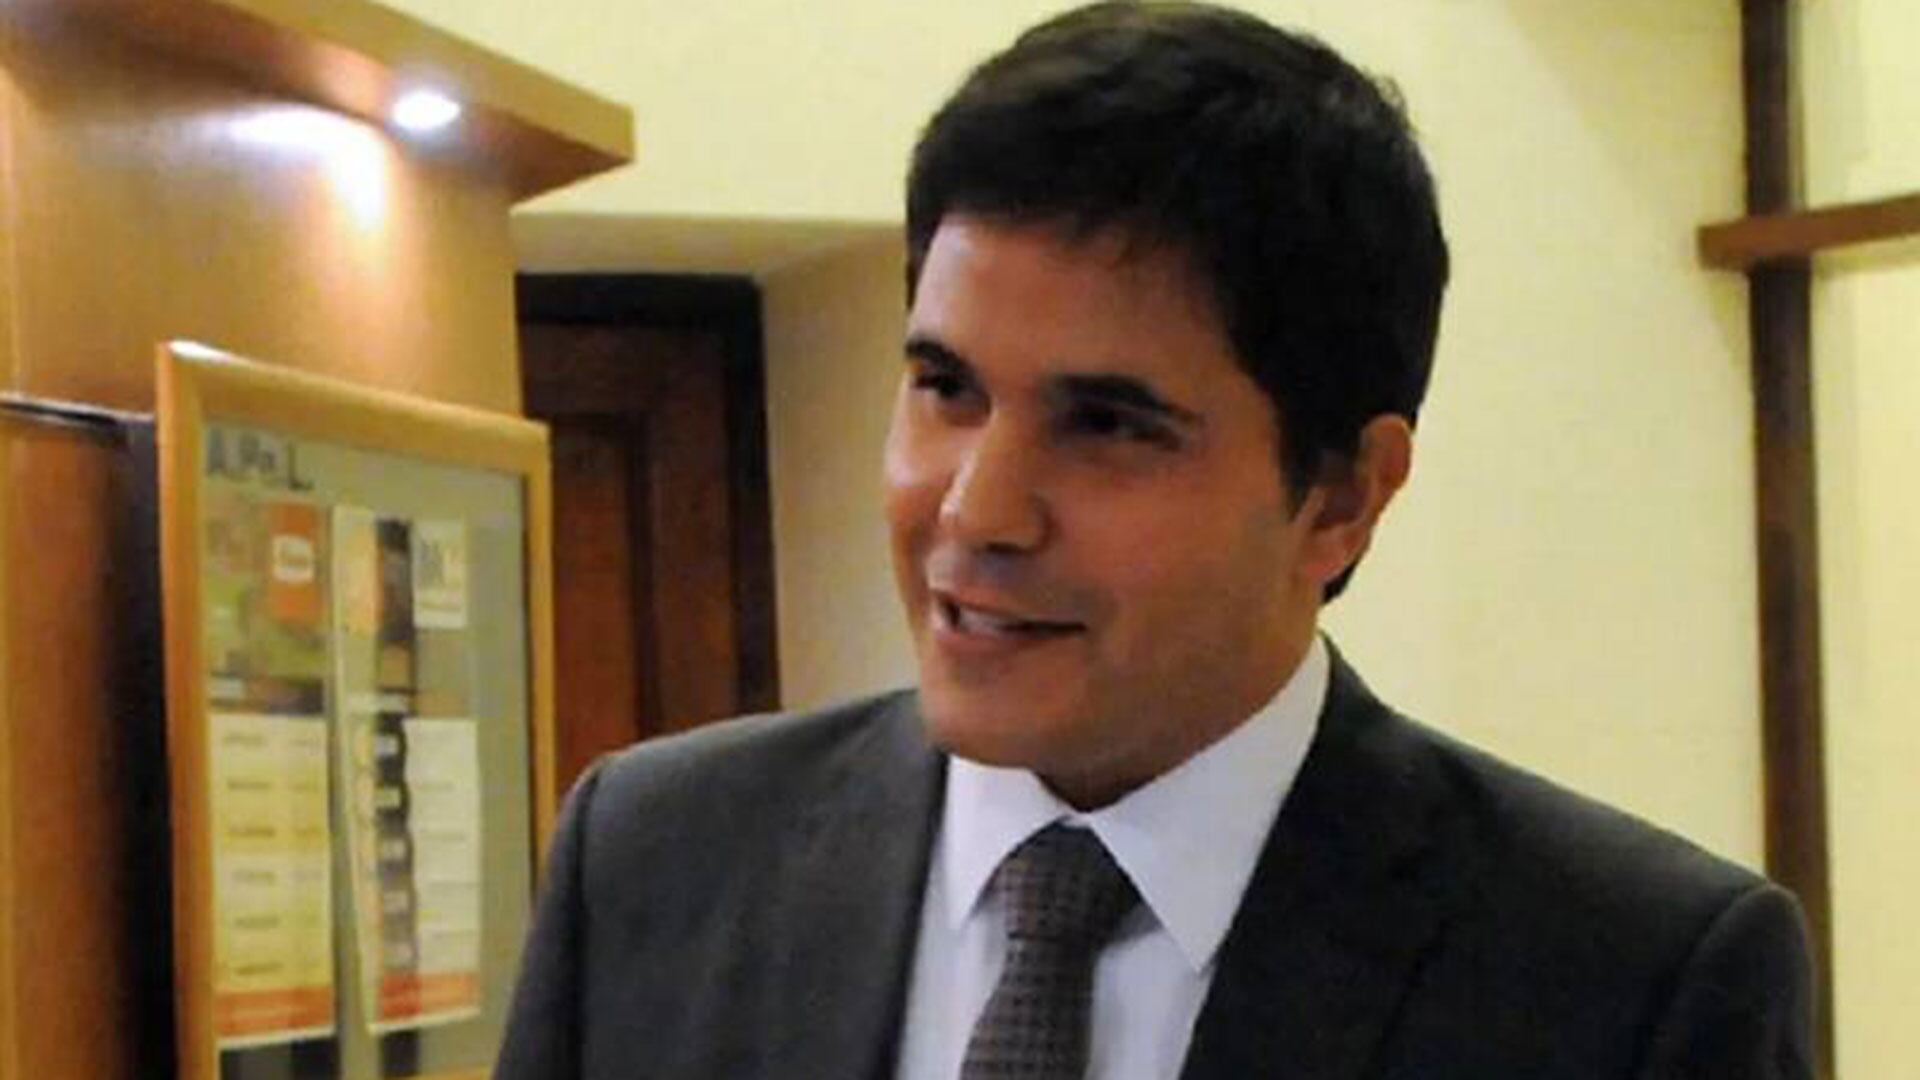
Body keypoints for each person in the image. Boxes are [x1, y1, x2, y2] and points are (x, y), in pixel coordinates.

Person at [496, 4, 1814, 1078]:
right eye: (946, 387)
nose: (976, 510)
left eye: (1109, 426)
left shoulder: (1627, 987)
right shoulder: (658, 863)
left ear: (1345, 496)